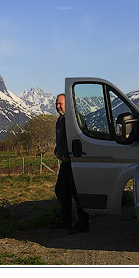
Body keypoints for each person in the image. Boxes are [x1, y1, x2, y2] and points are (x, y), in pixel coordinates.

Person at [53, 94, 89, 233]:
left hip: (75, 162)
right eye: (57, 104)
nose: (58, 107)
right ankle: (65, 220)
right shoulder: (60, 120)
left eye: (60, 104)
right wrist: (57, 151)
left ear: (67, 104)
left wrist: (70, 155)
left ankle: (83, 223)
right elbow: (60, 139)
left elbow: (79, 138)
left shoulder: (75, 118)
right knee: (61, 189)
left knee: (77, 192)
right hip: (65, 162)